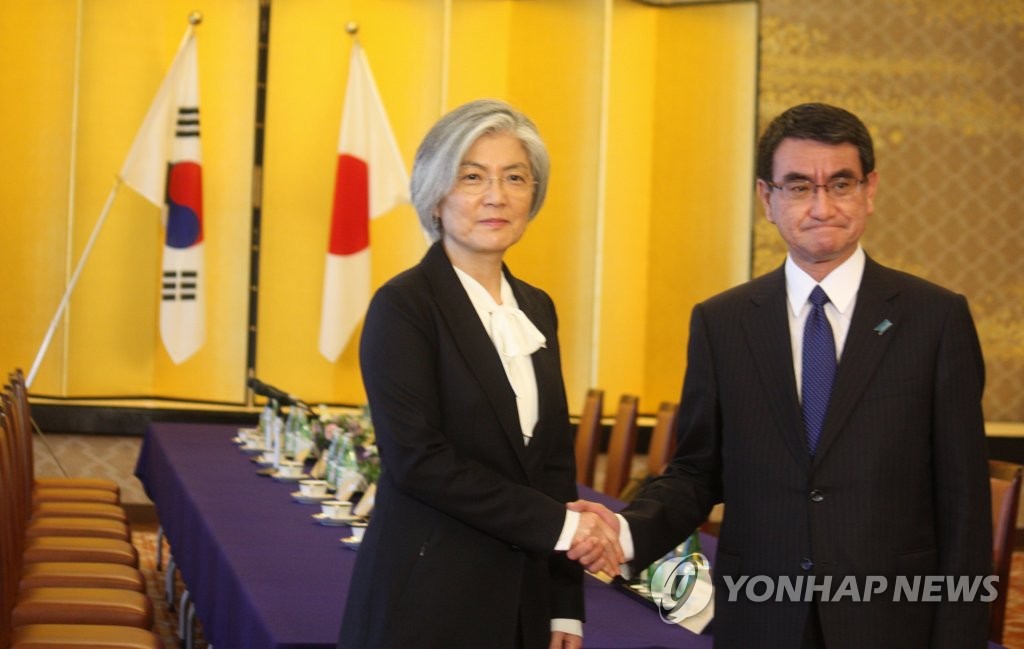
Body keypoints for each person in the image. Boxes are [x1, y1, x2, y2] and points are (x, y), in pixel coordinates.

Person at [570, 102, 992, 648]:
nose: (822, 206)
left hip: (891, 619)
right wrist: (626, 530)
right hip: (761, 619)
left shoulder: (935, 319)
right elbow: (697, 471)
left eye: (840, 184)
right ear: (767, 199)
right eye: (797, 187)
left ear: (870, 190)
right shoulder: (722, 323)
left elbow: (963, 502)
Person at [338, 99, 621, 649]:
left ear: (533, 194)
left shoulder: (536, 308)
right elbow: (419, 461)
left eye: (514, 177)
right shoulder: (404, 305)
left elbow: (553, 464)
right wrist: (562, 528)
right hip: (429, 597)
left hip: (523, 600)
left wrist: (565, 608)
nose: (496, 196)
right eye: (472, 177)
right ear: (435, 196)